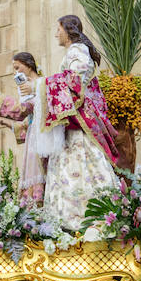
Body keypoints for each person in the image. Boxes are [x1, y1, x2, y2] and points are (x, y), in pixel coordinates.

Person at [36, 16, 120, 230]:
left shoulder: (77, 51)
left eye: (58, 29)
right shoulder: (75, 52)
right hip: (73, 125)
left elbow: (74, 82)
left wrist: (39, 85)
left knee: (79, 167)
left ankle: (82, 222)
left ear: (68, 29)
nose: (56, 34)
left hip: (79, 127)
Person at [0, 52, 47, 204]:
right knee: (32, 171)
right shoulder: (26, 89)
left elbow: (27, 109)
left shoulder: (42, 83)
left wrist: (1, 97)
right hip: (33, 133)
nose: (16, 72)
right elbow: (27, 119)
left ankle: (41, 205)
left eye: (18, 67)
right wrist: (10, 125)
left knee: (41, 169)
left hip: (42, 134)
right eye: (14, 69)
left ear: (29, 65)